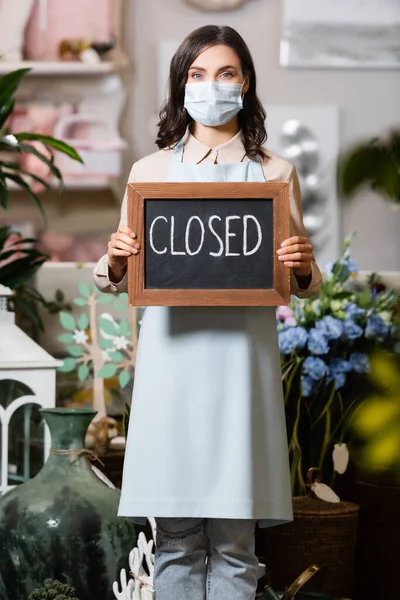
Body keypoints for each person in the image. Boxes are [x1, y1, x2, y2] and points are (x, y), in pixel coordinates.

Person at [94, 24, 322, 600]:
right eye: (197, 74)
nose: (211, 85)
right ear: (181, 84)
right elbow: (117, 271)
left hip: (241, 372)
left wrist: (301, 262)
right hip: (172, 369)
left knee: (236, 547)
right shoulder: (148, 175)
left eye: (225, 73)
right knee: (174, 542)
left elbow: (305, 283)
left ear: (245, 83)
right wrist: (115, 260)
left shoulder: (275, 174)